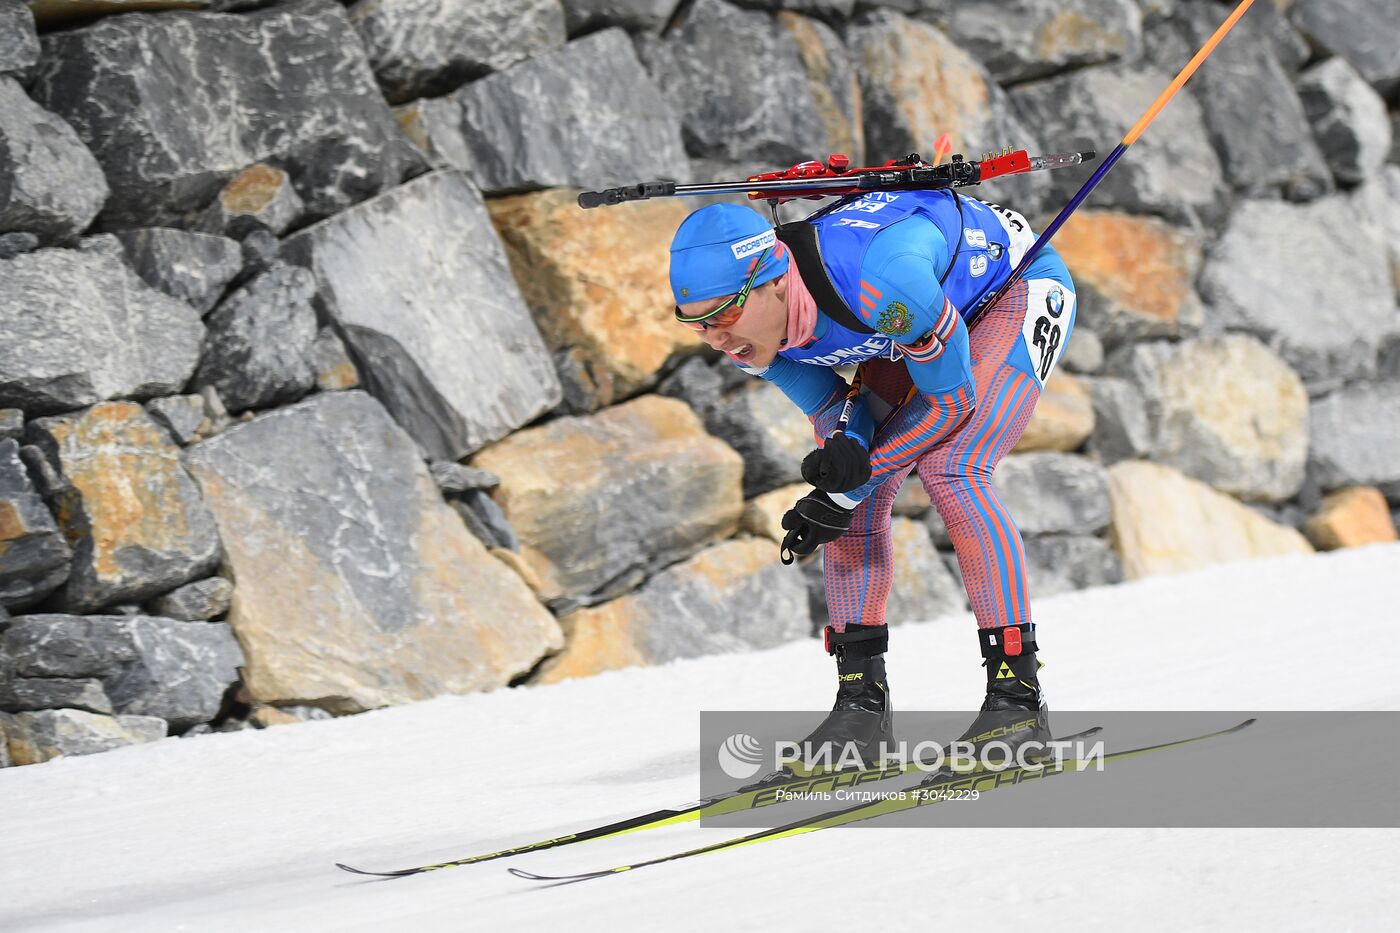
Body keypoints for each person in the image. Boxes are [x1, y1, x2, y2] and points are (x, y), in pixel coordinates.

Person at [668, 187, 1076, 764]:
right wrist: (843, 470)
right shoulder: (745, 332)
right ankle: (861, 709)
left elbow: (952, 405)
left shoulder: (883, 280)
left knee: (953, 467)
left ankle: (1017, 702)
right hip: (909, 325)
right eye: (696, 325)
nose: (717, 339)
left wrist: (840, 488)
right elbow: (835, 417)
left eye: (724, 315)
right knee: (853, 497)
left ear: (776, 279)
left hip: (1012, 291)